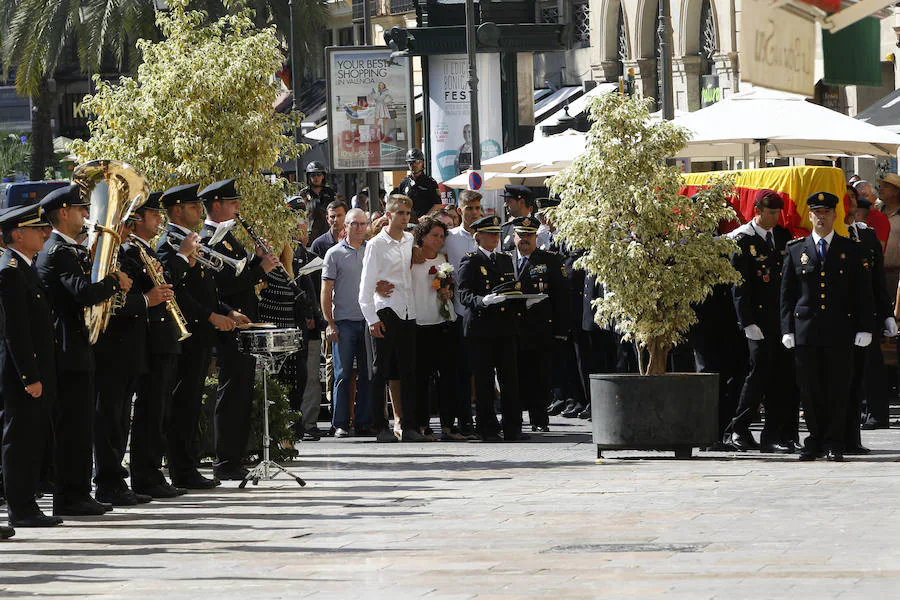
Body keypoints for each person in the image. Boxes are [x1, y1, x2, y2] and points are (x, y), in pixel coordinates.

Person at [36, 184, 131, 516]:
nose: (86, 216)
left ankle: (77, 493)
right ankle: (70, 496)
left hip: (75, 347)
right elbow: (81, 292)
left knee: (79, 427)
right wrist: (113, 282)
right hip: (67, 349)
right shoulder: (58, 251)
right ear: (63, 213)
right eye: (80, 210)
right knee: (72, 428)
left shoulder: (66, 250)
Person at [781, 191, 874, 461]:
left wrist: (865, 327)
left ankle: (835, 441)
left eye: (826, 213)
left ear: (835, 215)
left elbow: (862, 293)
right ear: (809, 216)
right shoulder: (795, 249)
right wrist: (786, 329)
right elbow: (787, 295)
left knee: (838, 388)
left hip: (840, 330)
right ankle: (814, 439)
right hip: (806, 332)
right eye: (816, 213)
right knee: (809, 390)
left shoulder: (850, 249)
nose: (821, 217)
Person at [199, 179, 278, 481]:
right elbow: (223, 285)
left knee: (242, 390)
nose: (237, 208)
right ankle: (225, 459)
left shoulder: (227, 237)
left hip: (243, 322)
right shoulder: (209, 239)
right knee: (231, 391)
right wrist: (261, 270)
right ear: (217, 205)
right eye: (232, 203)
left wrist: (258, 260)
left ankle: (235, 455)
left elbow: (239, 273)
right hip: (227, 323)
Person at [156, 183, 230, 490]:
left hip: (200, 333)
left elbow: (204, 288)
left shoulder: (188, 241)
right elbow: (179, 293)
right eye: (192, 207)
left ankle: (188, 467)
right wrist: (211, 316)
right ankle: (181, 469)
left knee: (190, 404)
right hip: (184, 334)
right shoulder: (169, 244)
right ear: (176, 210)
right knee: (182, 403)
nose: (199, 211)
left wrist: (226, 310)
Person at [128, 192, 194, 498]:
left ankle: (152, 473)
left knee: (159, 410)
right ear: (138, 219)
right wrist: (179, 260)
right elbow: (149, 294)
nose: (159, 220)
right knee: (151, 410)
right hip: (151, 340)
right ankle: (145, 475)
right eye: (154, 215)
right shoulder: (131, 251)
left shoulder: (146, 249)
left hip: (163, 337)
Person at [92, 215, 162, 506]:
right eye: (122, 225)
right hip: (110, 350)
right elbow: (109, 305)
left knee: (120, 420)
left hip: (130, 349)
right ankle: (108, 483)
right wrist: (146, 299)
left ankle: (116, 481)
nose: (126, 231)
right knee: (108, 419)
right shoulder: (102, 257)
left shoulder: (125, 254)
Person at [0, 202, 62, 528]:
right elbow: (15, 331)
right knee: (20, 440)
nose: (44, 233)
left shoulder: (26, 267)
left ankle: (27, 506)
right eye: (37, 229)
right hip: (22, 374)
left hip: (37, 371)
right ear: (17, 235)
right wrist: (29, 376)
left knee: (32, 438)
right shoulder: (10, 270)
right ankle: (20, 509)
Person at [726, 189, 795, 453]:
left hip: (780, 318)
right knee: (758, 376)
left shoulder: (781, 236)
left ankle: (773, 434)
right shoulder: (744, 239)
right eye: (771, 213)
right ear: (758, 211)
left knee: (781, 377)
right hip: (757, 319)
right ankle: (738, 428)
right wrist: (747, 322)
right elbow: (739, 285)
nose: (776, 217)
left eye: (778, 212)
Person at [358, 194, 425, 442]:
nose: (405, 217)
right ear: (388, 214)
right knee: (380, 371)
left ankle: (408, 426)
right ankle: (380, 426)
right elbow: (365, 285)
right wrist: (371, 318)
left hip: (408, 309)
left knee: (408, 370)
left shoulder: (409, 240)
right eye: (400, 213)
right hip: (385, 309)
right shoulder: (376, 244)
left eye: (407, 213)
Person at [457, 215, 527, 442]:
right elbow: (464, 294)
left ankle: (512, 427)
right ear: (478, 237)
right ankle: (487, 428)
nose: (494, 238)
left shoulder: (504, 259)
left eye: (496, 234)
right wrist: (483, 301)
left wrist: (524, 300)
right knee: (485, 381)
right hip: (482, 328)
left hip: (505, 327)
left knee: (511, 380)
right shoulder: (471, 260)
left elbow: (512, 288)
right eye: (489, 234)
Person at [844, 192, 895, 449]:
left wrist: (887, 313)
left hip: (868, 313)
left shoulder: (867, 236)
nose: (852, 210)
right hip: (840, 316)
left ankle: (876, 413)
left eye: (854, 205)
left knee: (871, 366)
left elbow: (877, 280)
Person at [510, 215, 569, 432]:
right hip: (513, 329)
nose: (525, 240)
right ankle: (513, 420)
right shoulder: (505, 259)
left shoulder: (550, 260)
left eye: (529, 236)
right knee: (514, 376)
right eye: (521, 236)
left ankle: (539, 419)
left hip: (540, 328)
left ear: (536, 237)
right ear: (513, 236)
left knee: (539, 376)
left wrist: (561, 330)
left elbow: (562, 297)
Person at [411, 217, 467, 440]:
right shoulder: (412, 259)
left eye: (441, 236)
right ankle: (423, 425)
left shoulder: (444, 259)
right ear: (422, 237)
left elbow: (449, 285)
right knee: (421, 378)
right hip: (419, 323)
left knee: (447, 377)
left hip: (443, 322)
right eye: (434, 235)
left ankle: (448, 425)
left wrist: (447, 291)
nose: (438, 240)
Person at [322, 208, 371, 438]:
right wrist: (329, 323)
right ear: (346, 226)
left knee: (367, 373)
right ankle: (341, 422)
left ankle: (363, 422)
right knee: (342, 374)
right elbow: (326, 290)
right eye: (355, 224)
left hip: (368, 320)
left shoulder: (371, 250)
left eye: (363, 224)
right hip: (343, 321)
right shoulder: (333, 253)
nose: (359, 228)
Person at [442, 190, 484, 439]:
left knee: (479, 368)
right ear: (460, 211)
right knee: (461, 370)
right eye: (469, 208)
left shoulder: (488, 236)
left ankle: (481, 417)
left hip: (481, 310)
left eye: (477, 208)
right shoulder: (451, 238)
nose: (474, 213)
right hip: (457, 311)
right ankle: (463, 419)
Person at [289, 162, 336, 242]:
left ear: (323, 176)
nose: (316, 177)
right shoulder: (303, 193)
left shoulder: (330, 192)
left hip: (327, 232)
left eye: (318, 174)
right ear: (309, 177)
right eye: (313, 175)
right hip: (309, 234)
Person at [391, 148, 441, 221]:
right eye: (410, 162)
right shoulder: (404, 183)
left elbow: (437, 205)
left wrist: (425, 217)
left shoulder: (430, 182)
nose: (413, 164)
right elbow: (399, 204)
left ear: (422, 163)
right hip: (407, 222)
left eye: (417, 161)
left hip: (425, 223)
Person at [500, 185, 537, 252]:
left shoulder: (538, 227)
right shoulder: (505, 229)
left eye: (508, 201)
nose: (505, 205)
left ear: (521, 202)